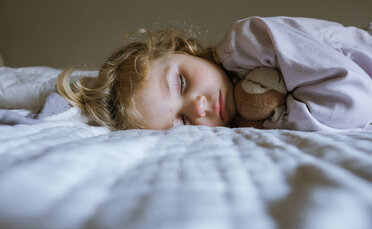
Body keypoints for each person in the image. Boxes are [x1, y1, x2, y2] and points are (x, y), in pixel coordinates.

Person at [57, 16, 372, 131]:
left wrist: (280, 119)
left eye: (181, 82)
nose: (198, 107)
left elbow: (355, 100)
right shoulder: (237, 122)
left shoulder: (249, 41)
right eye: (182, 121)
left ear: (184, 50)